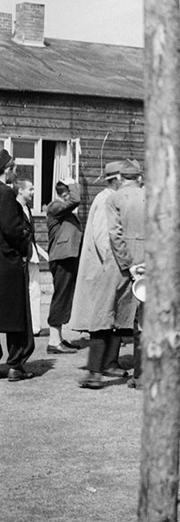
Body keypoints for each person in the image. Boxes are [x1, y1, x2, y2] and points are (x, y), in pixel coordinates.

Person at [72, 161, 132, 389]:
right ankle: (100, 366)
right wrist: (120, 262)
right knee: (104, 316)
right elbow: (103, 236)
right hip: (105, 267)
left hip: (112, 266)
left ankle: (109, 361)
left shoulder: (113, 198)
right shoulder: (106, 198)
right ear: (116, 180)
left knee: (115, 315)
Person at [106, 160, 146, 389]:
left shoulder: (115, 198)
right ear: (139, 177)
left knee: (118, 314)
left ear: (122, 178)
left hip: (125, 266)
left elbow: (115, 234)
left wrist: (128, 264)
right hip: (150, 263)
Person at [0, 150, 34, 381]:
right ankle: (15, 364)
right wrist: (24, 248)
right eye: (13, 167)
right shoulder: (6, 194)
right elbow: (12, 229)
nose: (15, 171)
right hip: (7, 263)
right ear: (7, 169)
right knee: (17, 317)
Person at [45, 177, 83, 354]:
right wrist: (73, 183)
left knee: (65, 296)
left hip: (68, 257)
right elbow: (76, 200)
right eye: (69, 193)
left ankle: (58, 338)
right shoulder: (54, 206)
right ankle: (53, 341)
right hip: (62, 258)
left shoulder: (64, 212)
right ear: (65, 194)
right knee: (61, 296)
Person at [16, 179, 43, 339]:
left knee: (35, 290)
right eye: (30, 189)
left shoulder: (27, 209)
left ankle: (34, 326)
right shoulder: (16, 208)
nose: (33, 192)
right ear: (20, 190)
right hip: (22, 255)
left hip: (31, 255)